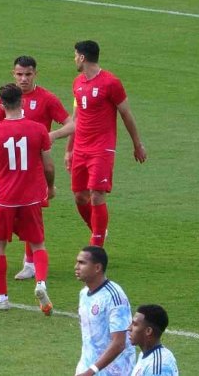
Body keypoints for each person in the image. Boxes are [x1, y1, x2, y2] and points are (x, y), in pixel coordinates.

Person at [0, 56, 73, 281]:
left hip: (36, 167)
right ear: (13, 74)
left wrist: (50, 135)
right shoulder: (8, 98)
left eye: (28, 74)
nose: (23, 79)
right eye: (19, 74)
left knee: (31, 215)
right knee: (26, 214)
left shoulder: (47, 98)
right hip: (13, 166)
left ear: (36, 74)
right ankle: (32, 264)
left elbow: (71, 123)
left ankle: (30, 263)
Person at [0, 84, 55, 315]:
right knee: (38, 243)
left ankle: (2, 298)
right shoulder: (38, 129)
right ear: (23, 102)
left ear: (1, 105)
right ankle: (40, 283)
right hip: (30, 198)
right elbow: (48, 165)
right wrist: (50, 187)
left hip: (3, 199)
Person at [67, 41, 146, 247]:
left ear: (82, 57)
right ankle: (99, 230)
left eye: (76, 55)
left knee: (97, 195)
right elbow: (75, 120)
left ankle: (96, 247)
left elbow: (126, 114)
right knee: (79, 196)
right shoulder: (77, 83)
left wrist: (137, 144)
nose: (74, 59)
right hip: (81, 149)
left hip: (102, 148)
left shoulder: (111, 82)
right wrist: (69, 150)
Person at [74, 246, 136, 376]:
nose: (76, 267)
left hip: (114, 371)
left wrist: (91, 371)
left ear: (97, 268)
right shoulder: (84, 294)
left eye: (82, 263)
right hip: (88, 367)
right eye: (77, 262)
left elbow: (119, 343)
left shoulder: (114, 297)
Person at [129, 304, 180, 375]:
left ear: (148, 331)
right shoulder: (144, 354)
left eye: (135, 324)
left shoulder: (158, 365)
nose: (129, 328)